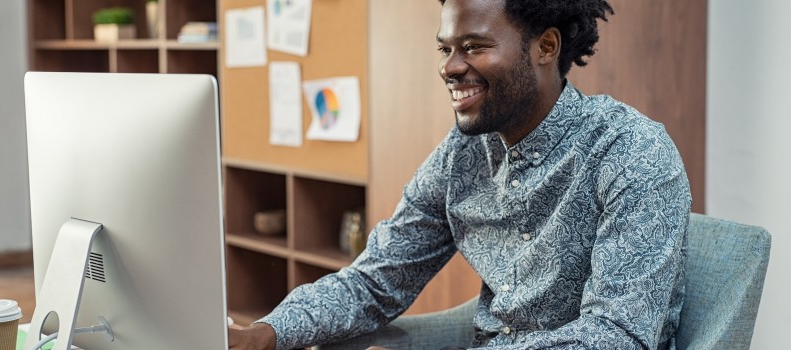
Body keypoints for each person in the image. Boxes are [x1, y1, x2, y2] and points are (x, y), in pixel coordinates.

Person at [230, 0, 691, 348]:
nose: (449, 68)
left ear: (545, 47)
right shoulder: (463, 155)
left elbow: (616, 337)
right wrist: (266, 333)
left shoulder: (631, 152)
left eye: (473, 47)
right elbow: (375, 280)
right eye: (446, 48)